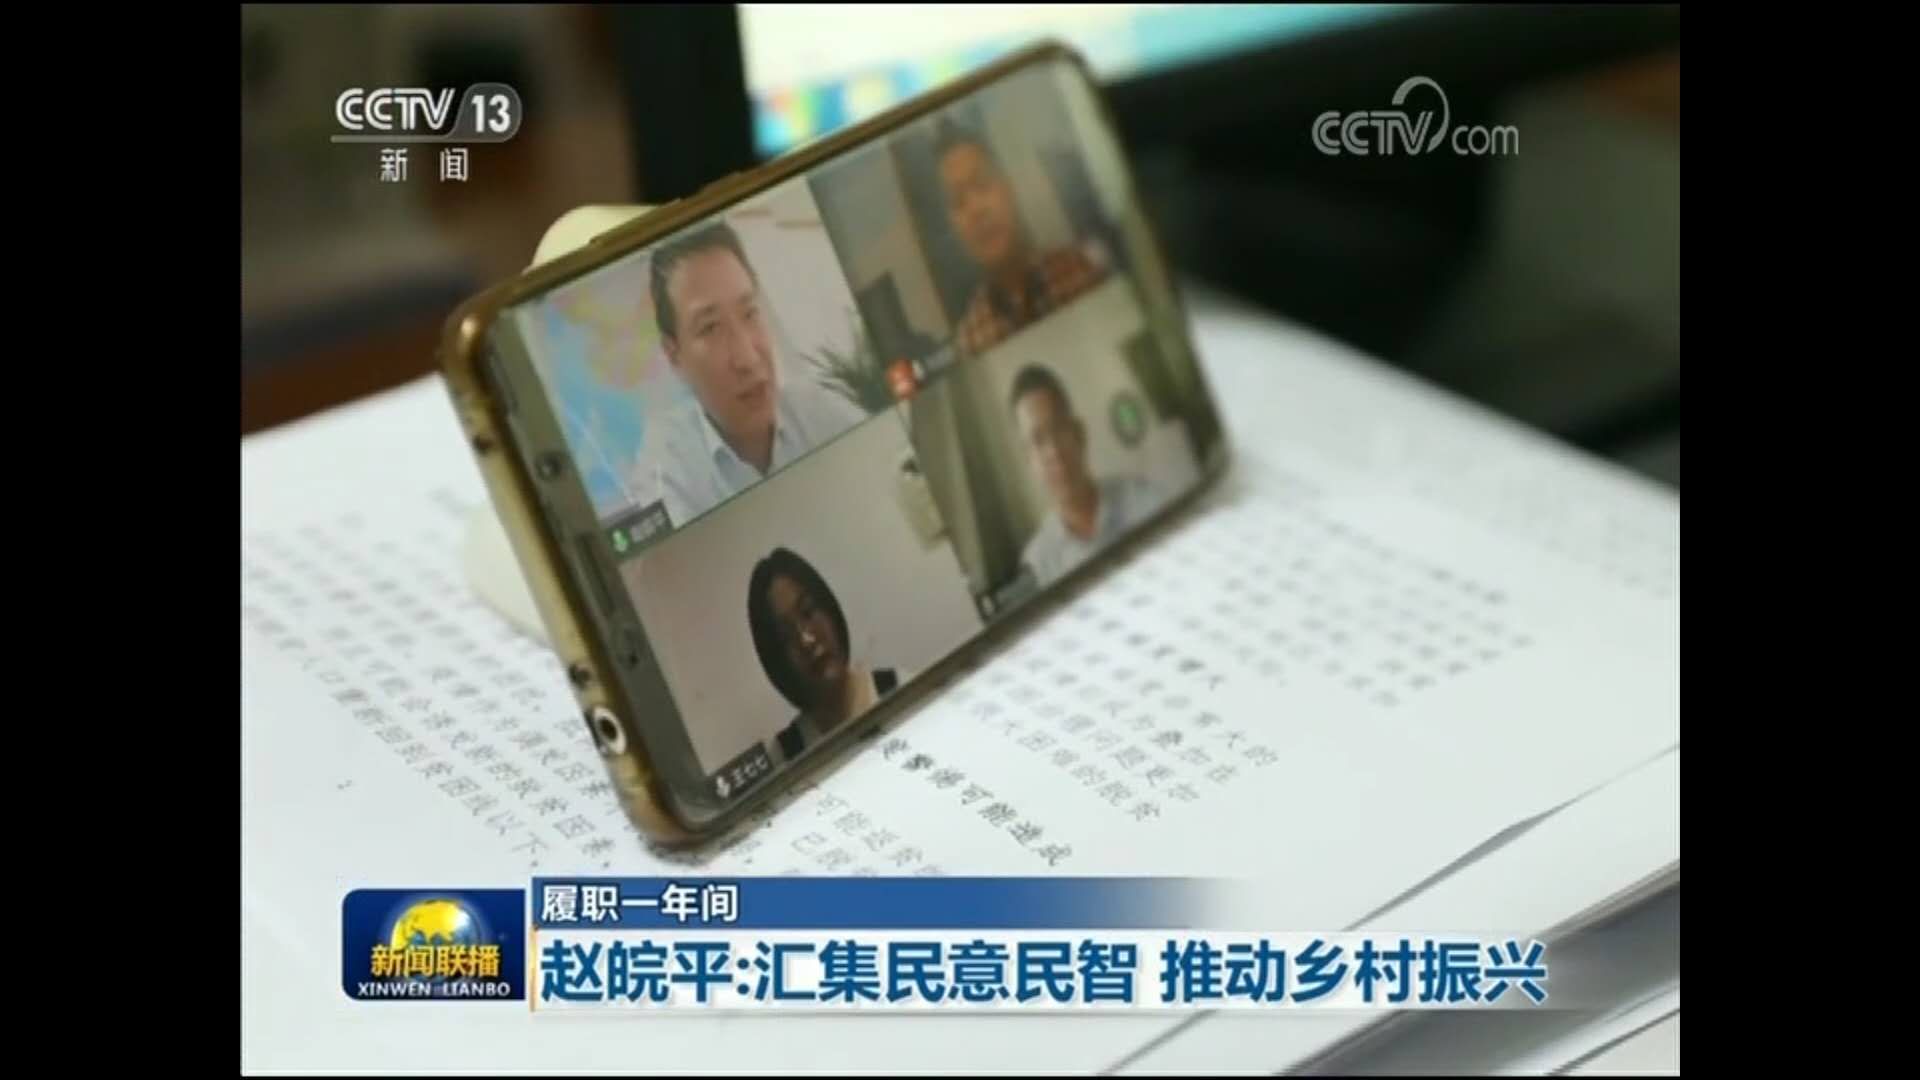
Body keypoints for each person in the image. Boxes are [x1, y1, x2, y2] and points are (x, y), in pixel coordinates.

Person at [627, 221, 868, 527]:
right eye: (710, 328)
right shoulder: (668, 462)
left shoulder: (816, 409)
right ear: (675, 355)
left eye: (750, 313)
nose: (748, 358)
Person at [933, 120, 1108, 356]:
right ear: (954, 228)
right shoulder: (970, 341)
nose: (976, 210)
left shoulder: (1082, 271)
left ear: (1008, 189)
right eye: (958, 201)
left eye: (982, 184)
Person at [747, 547, 904, 762]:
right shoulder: (784, 757)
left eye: (808, 612)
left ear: (828, 608)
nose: (806, 640)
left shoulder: (900, 688)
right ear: (778, 661)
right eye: (785, 636)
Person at [1009, 364, 1159, 588]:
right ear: (1029, 460)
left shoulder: (1145, 501)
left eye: (1058, 429)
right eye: (1038, 440)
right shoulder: (1038, 565)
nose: (1054, 452)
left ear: (1080, 434)